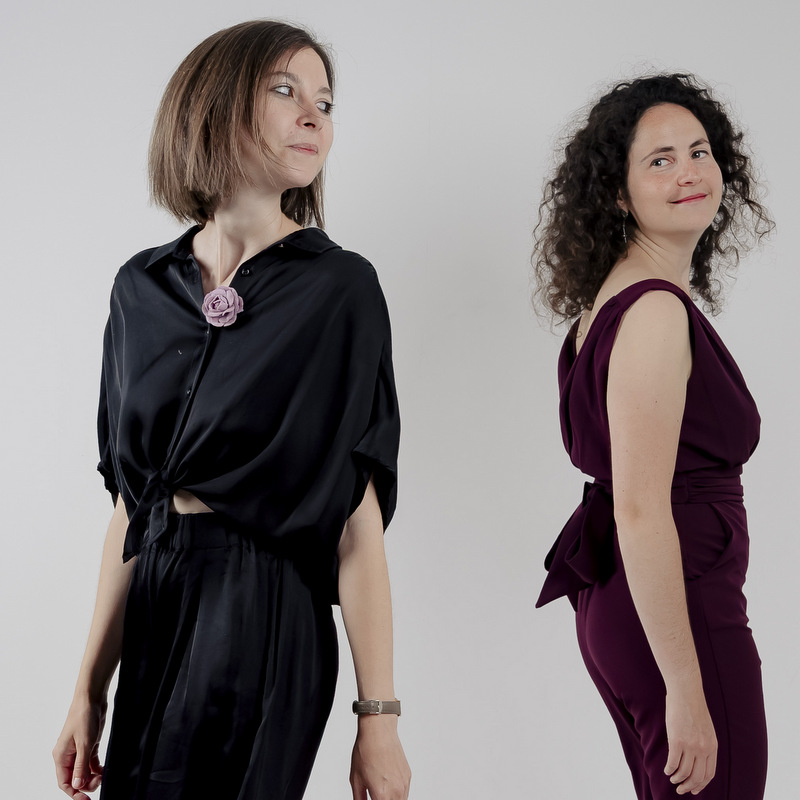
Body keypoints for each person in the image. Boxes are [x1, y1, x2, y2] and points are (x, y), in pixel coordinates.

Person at [52, 20, 411, 800]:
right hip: (158, 597)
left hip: (266, 604)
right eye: (285, 90)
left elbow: (357, 520)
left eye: (325, 102)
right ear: (212, 105)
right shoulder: (140, 288)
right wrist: (88, 688)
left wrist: (378, 718)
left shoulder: (339, 290)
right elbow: (133, 507)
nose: (313, 116)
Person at [533, 74, 773, 799]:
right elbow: (640, 510)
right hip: (676, 614)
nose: (689, 173)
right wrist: (687, 689)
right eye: (660, 161)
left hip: (638, 604)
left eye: (699, 152)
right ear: (617, 192)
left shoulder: (614, 301)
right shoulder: (654, 313)